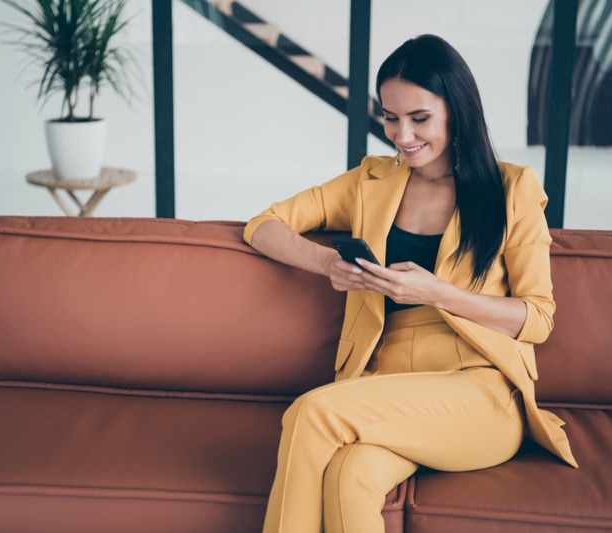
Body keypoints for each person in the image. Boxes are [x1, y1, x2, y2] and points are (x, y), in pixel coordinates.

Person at [242, 34, 578, 533]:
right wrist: (327, 264)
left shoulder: (512, 187)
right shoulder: (369, 181)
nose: (402, 135)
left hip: (480, 392)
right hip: (385, 386)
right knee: (348, 475)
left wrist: (437, 293)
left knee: (312, 413)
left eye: (419, 118)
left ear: (456, 110)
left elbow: (538, 319)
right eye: (390, 117)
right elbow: (264, 224)